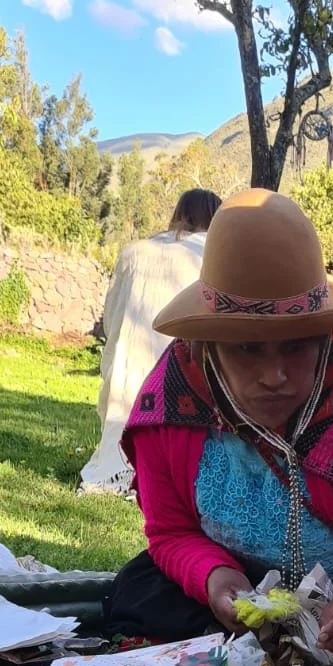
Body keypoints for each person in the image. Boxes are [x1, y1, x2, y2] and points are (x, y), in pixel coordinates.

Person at [104, 189, 333, 664]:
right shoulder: (172, 403)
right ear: (205, 345)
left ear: (325, 337)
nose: (274, 377)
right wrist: (216, 578)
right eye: (248, 348)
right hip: (240, 584)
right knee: (135, 594)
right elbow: (170, 533)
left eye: (296, 346)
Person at [80, 188, 222, 495]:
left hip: (132, 350)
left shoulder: (135, 250)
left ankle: (120, 469)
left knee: (129, 401)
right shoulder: (213, 250)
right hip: (183, 353)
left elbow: (112, 311)